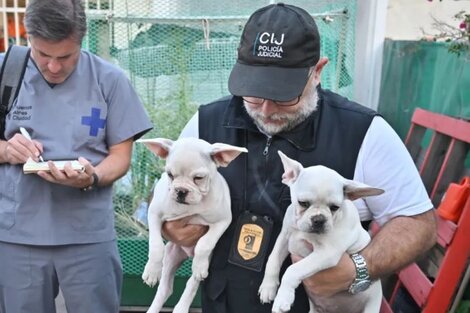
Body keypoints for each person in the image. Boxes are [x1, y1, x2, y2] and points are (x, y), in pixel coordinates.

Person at [162, 3, 437, 313]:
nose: (266, 109)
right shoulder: (205, 124)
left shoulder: (363, 132)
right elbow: (164, 198)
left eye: (283, 95)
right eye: (253, 92)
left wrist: (358, 269)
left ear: (317, 72)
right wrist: (170, 227)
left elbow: (419, 224)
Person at [0, 0, 152, 312]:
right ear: (28, 37)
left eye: (66, 57)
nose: (54, 67)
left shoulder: (109, 80)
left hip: (87, 236)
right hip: (17, 236)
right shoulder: (6, 72)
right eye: (43, 55)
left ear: (81, 41)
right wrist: (5, 150)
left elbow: (120, 156)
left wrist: (92, 176)